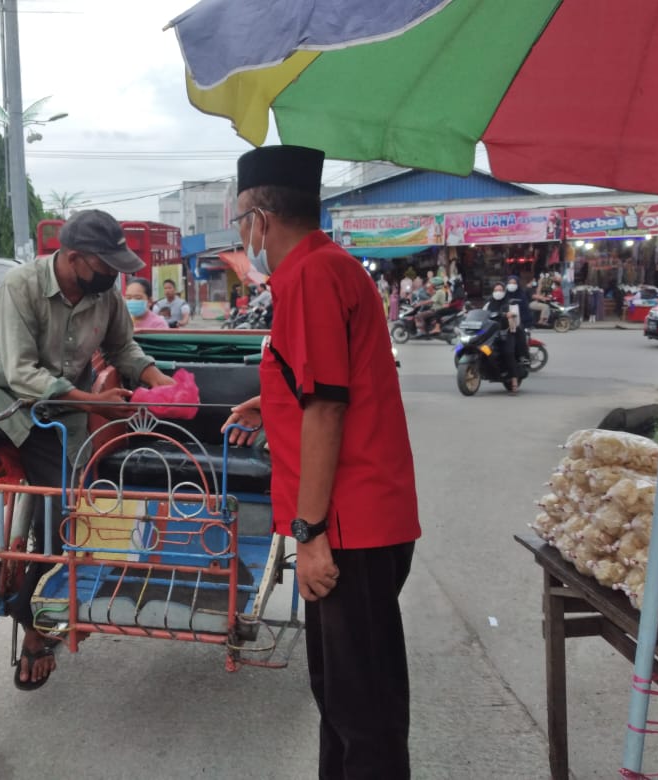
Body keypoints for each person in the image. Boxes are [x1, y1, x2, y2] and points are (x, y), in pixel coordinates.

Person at [223, 145, 420, 778]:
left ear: (260, 217)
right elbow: (329, 384)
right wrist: (271, 401)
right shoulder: (333, 266)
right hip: (366, 517)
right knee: (343, 699)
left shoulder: (309, 275)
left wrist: (307, 535)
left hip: (347, 526)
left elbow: (327, 410)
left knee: (362, 713)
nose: (243, 235)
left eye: (240, 222)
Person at [0, 209, 175, 690]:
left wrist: (156, 378)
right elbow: (21, 373)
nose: (113, 276)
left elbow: (123, 350)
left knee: (61, 523)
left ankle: (34, 630)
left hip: (57, 419)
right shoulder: (20, 285)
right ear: (73, 258)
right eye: (105, 266)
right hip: (2, 399)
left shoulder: (105, 295)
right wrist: (93, 400)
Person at [484, 282, 521, 393]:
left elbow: (516, 319)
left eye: (500, 290)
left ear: (504, 292)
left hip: (506, 332)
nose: (498, 292)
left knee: (508, 353)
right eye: (496, 290)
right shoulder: (488, 303)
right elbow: (482, 313)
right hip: (490, 332)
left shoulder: (510, 303)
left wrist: (510, 314)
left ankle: (514, 379)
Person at [504, 274, 531, 363]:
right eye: (510, 283)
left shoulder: (521, 295)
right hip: (505, 321)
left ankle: (523, 358)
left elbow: (525, 310)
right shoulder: (504, 295)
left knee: (519, 338)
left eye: (514, 283)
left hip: (520, 322)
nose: (512, 285)